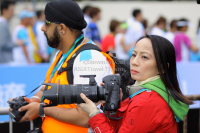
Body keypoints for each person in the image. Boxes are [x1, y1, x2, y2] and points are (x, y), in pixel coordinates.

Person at [11, 1, 113, 133]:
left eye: (47, 23)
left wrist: (41, 109)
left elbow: (87, 116)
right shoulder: (62, 54)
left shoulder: (88, 59)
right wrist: (33, 101)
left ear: (62, 28)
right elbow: (47, 88)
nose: (42, 28)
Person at [78, 35, 192, 133]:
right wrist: (113, 107)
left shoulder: (147, 101)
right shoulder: (155, 92)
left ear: (162, 67)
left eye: (144, 57)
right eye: (134, 54)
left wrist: (94, 113)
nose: (134, 62)